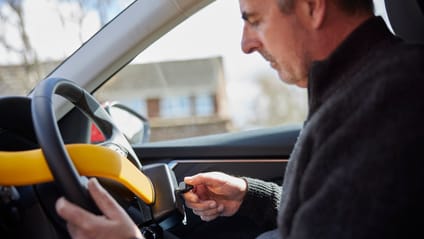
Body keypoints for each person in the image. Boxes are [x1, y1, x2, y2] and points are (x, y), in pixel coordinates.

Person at [56, 0, 424, 238]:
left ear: (313, 7)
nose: (246, 44)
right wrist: (251, 197)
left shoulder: (393, 102)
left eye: (255, 20)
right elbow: (336, 214)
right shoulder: (360, 93)